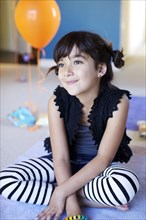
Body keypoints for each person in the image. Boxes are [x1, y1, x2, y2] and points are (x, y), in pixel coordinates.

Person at [0, 31, 140, 220]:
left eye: (77, 62)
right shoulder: (56, 102)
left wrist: (60, 192)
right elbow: (61, 159)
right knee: (5, 180)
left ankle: (59, 195)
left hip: (97, 169)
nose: (67, 71)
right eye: (61, 64)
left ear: (100, 69)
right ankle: (82, 197)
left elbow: (103, 159)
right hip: (62, 166)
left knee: (125, 184)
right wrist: (72, 202)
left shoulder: (118, 101)